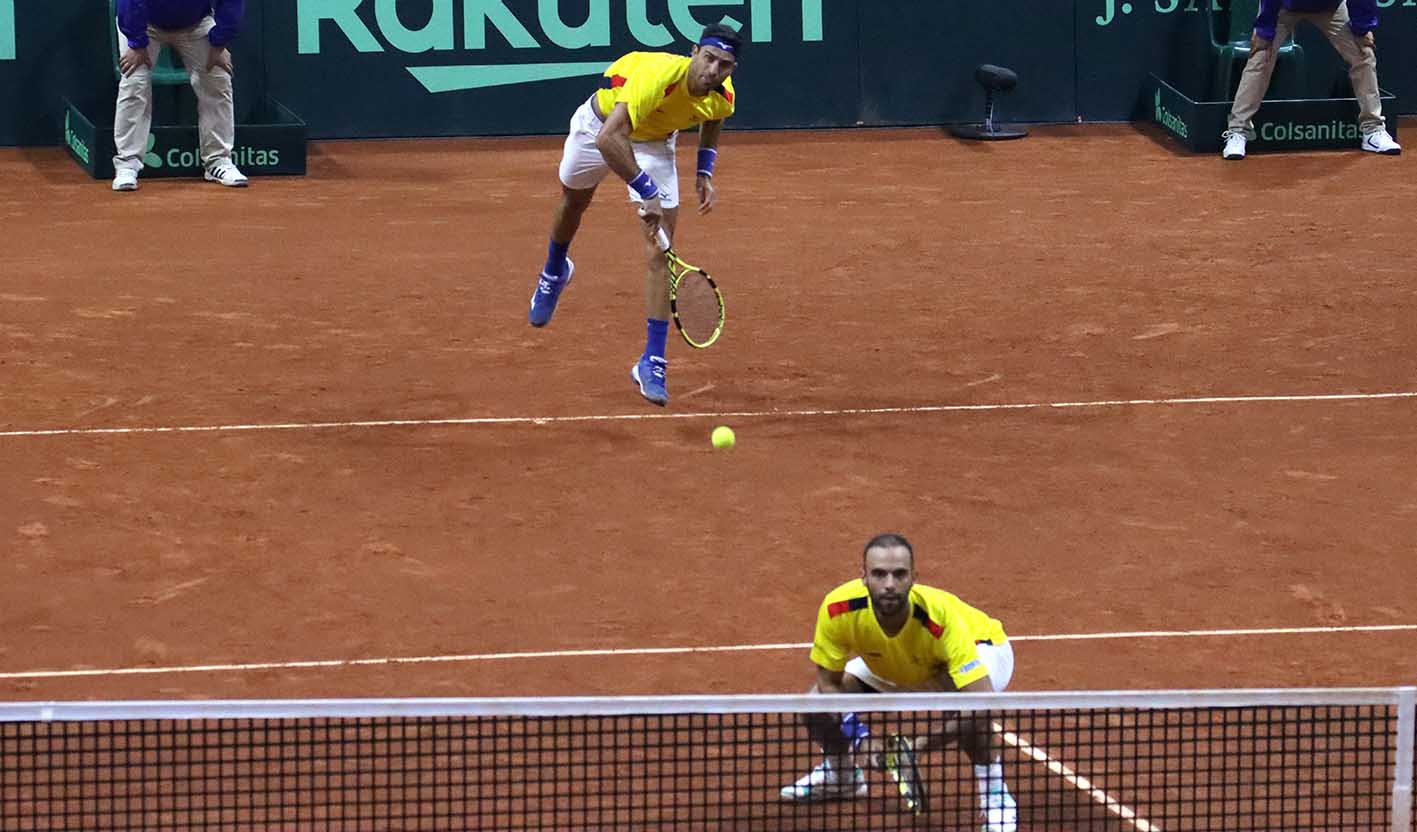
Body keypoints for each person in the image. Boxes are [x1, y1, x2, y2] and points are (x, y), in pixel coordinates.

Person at [527, 24, 740, 406]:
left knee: (660, 251)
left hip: (654, 144)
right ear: (694, 52)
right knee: (574, 203)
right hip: (601, 127)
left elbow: (714, 119)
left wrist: (704, 171)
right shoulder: (659, 76)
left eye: (724, 64)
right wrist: (647, 191)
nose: (713, 70)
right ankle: (555, 269)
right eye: (709, 58)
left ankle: (652, 361)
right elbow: (608, 139)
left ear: (731, 69)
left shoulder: (723, 94)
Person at [780, 533, 1019, 832]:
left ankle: (995, 795)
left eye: (899, 574)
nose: (889, 584)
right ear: (864, 577)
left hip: (979, 649)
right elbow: (829, 683)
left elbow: (981, 702)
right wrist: (860, 737)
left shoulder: (939, 617)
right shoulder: (839, 608)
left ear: (913, 578)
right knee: (816, 704)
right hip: (896, 662)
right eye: (879, 574)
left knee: (969, 710)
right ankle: (842, 777)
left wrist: (918, 746)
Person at [1221, 0, 1400, 159]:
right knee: (1261, 55)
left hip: (1331, 7)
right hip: (1284, 7)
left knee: (1363, 53)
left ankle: (1373, 129)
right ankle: (1238, 130)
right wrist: (1264, 30)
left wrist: (1362, 27)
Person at [112, 0, 249, 191]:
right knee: (134, 82)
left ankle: (218, 161)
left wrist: (219, 43)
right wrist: (136, 43)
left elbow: (231, 3)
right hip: (144, 24)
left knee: (217, 78)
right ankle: (127, 164)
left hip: (196, 24)